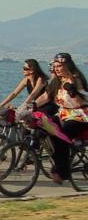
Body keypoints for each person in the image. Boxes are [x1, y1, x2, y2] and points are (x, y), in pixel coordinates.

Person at [36, 53, 88, 184]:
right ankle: (59, 162)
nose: (57, 69)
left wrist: (73, 91)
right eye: (55, 66)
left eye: (60, 66)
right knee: (43, 128)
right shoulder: (57, 80)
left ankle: (62, 171)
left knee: (61, 136)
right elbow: (46, 96)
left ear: (67, 66)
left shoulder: (75, 79)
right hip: (63, 114)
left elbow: (80, 102)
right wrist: (31, 105)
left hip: (79, 115)